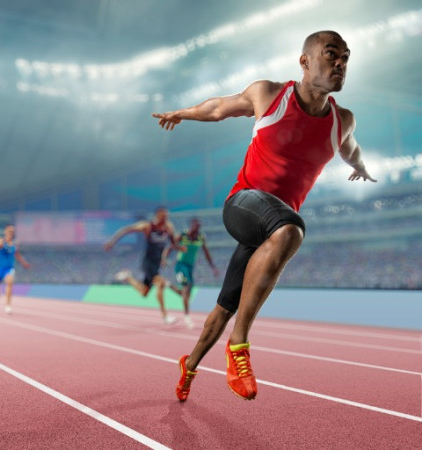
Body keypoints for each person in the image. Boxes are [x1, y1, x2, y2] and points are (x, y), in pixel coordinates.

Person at [152, 31, 376, 402]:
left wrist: (363, 169)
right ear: (304, 62)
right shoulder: (269, 95)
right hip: (243, 204)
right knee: (291, 230)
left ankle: (188, 368)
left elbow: (351, 151)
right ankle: (238, 347)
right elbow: (219, 108)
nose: (340, 63)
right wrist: (183, 113)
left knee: (221, 310)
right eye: (331, 54)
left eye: (346, 58)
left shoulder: (343, 120)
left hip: (267, 231)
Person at [104, 206, 178, 325]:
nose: (166, 219)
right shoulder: (147, 226)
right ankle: (165, 316)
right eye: (164, 217)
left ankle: (128, 277)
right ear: (157, 215)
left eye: (167, 217)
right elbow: (126, 230)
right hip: (147, 263)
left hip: (157, 264)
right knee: (160, 283)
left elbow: (173, 243)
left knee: (144, 292)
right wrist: (112, 242)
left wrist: (166, 256)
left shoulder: (169, 227)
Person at [162, 218, 220, 329]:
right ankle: (187, 317)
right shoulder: (182, 235)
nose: (198, 228)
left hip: (190, 267)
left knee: (186, 294)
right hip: (180, 265)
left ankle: (168, 284)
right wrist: (164, 258)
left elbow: (206, 252)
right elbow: (171, 246)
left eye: (199, 227)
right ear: (191, 226)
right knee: (185, 288)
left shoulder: (201, 237)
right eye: (196, 226)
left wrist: (213, 267)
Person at [0, 225, 31, 315]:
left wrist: (24, 263)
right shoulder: (1, 241)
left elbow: (17, 255)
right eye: (9, 231)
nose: (10, 233)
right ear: (5, 232)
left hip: (9, 268)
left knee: (10, 282)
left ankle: (8, 305)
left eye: (12, 232)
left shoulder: (14, 245)